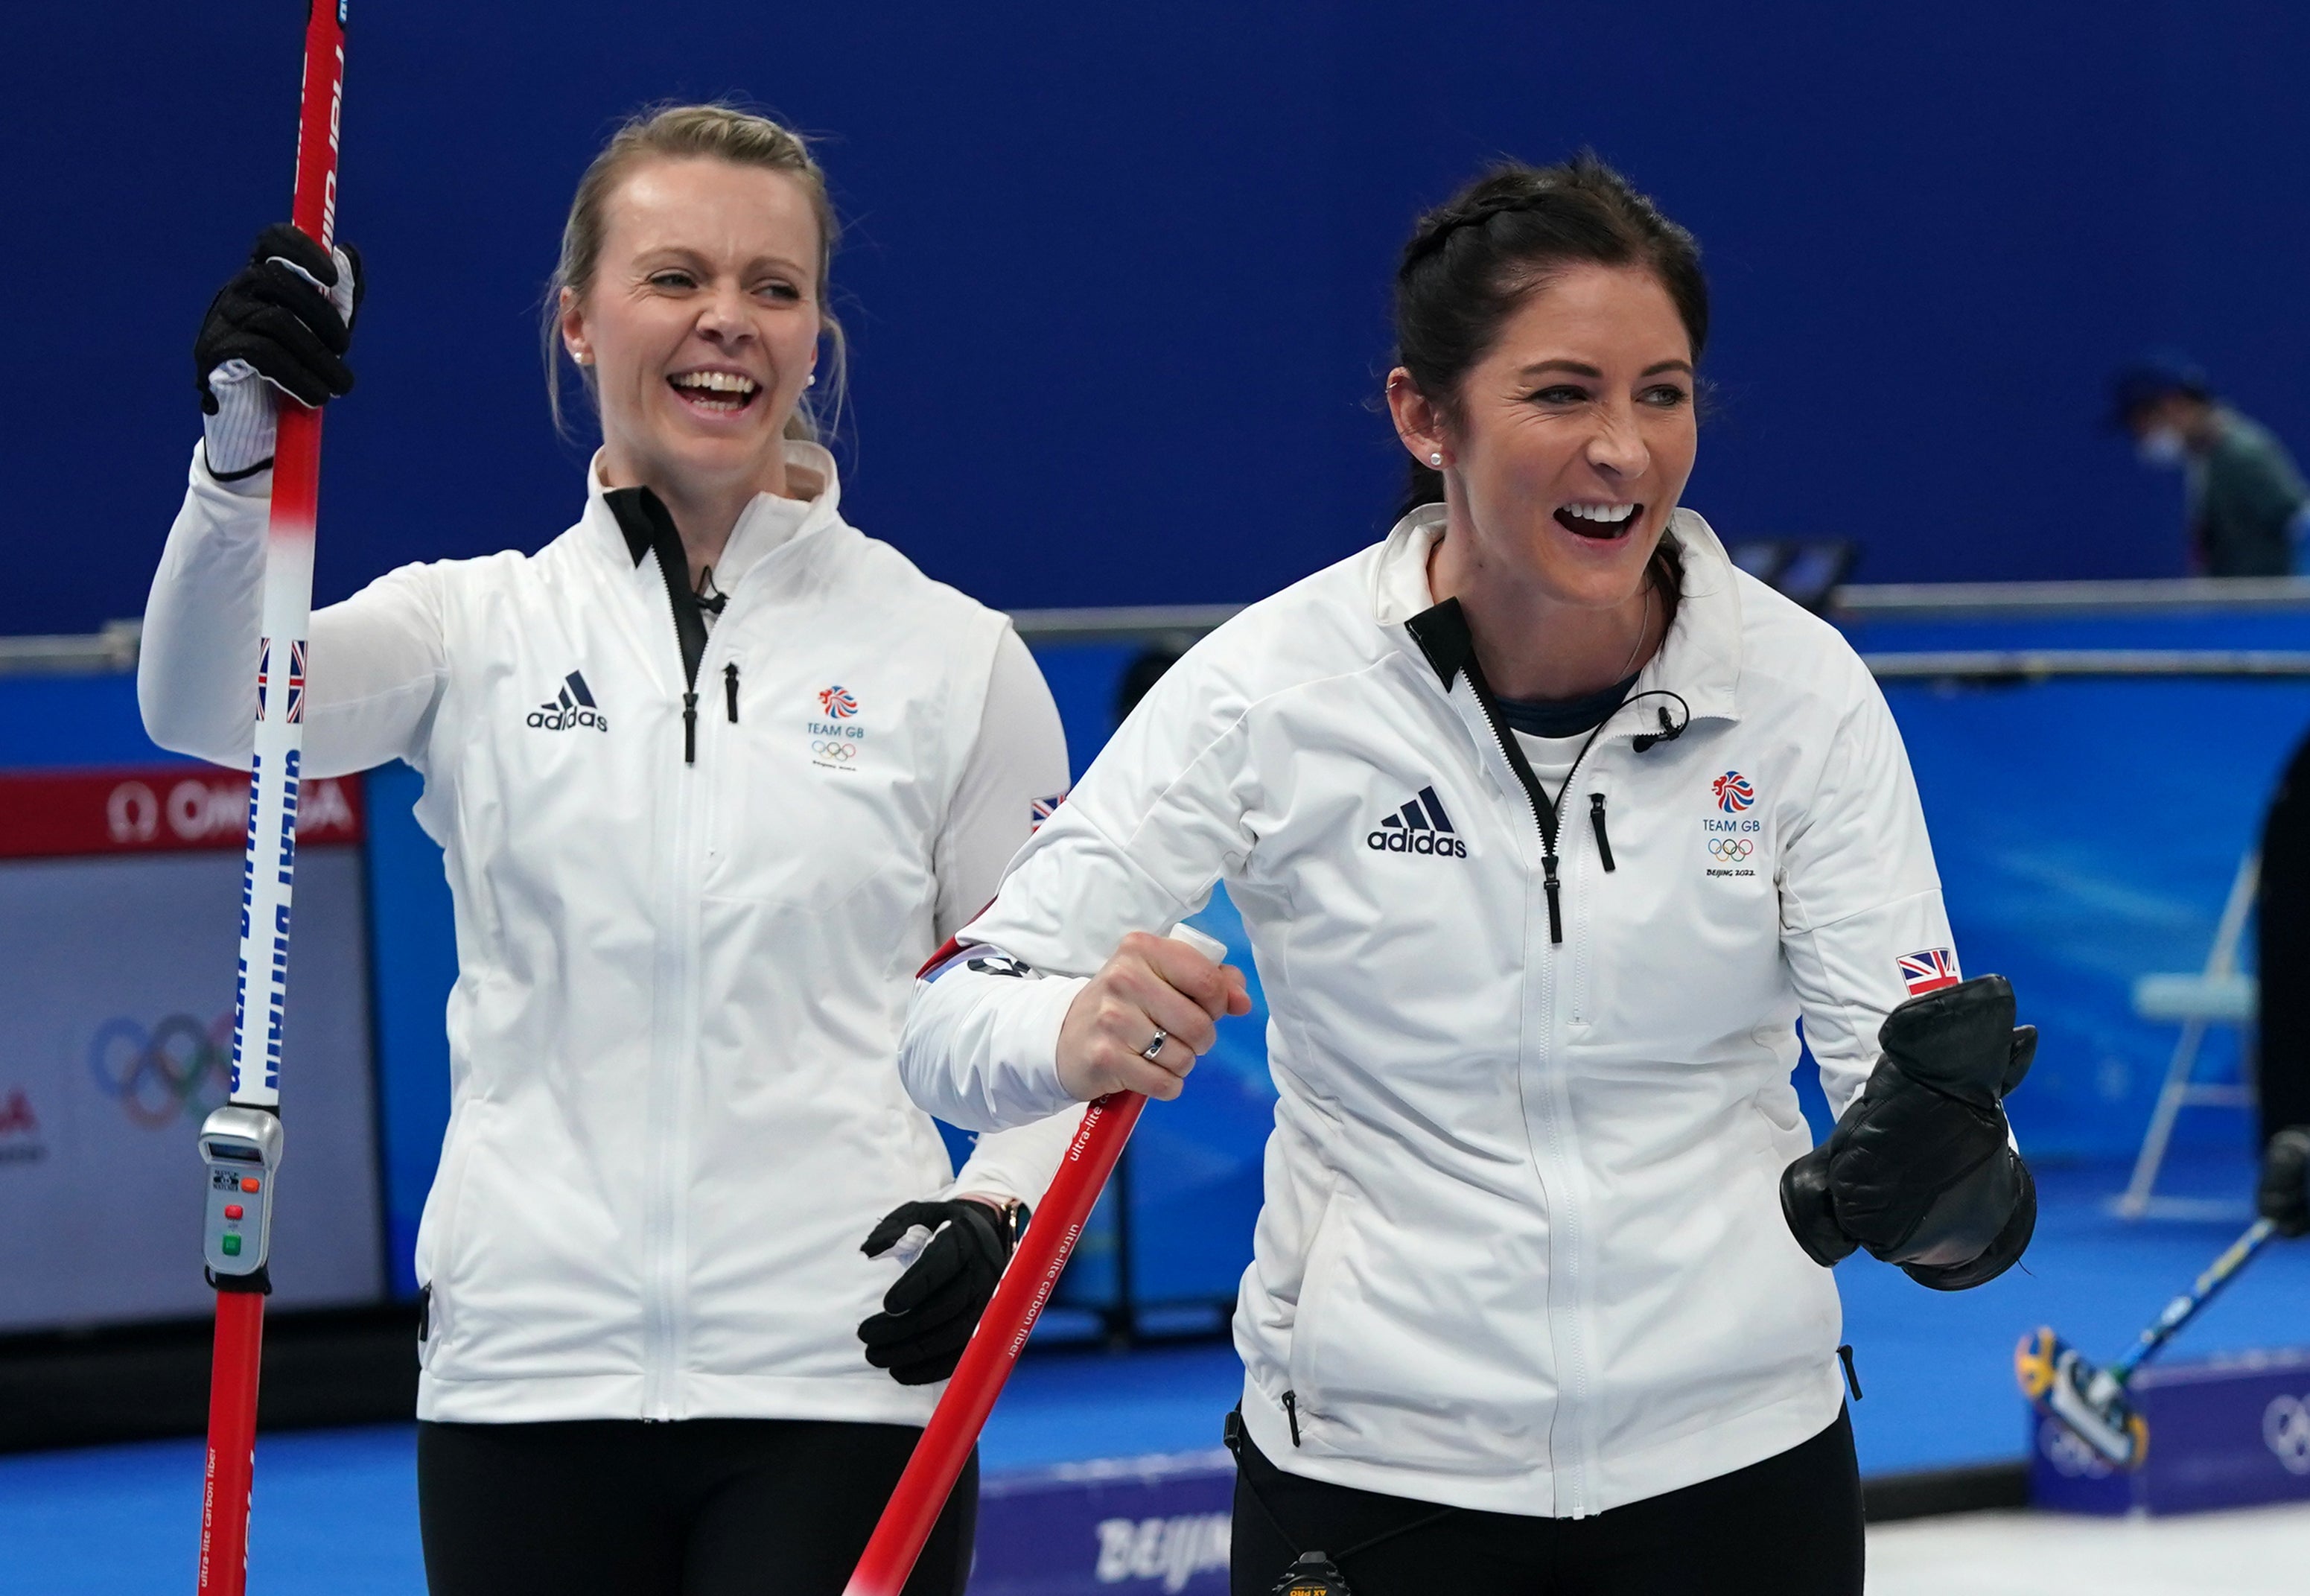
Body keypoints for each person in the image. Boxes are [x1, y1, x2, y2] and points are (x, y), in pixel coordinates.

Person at [897, 155, 2036, 1596]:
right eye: (1561, 394)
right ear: (1422, 416)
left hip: (1740, 1472)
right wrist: (1068, 1028)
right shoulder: (1272, 688)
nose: (1622, 448)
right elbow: (950, 1025)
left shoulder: (1796, 690)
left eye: (1662, 393)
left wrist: (1949, 1174)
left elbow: (1920, 1130)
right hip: (1375, 1482)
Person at [142, 104, 1081, 1596]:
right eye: (675, 278)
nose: (728, 322)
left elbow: (1059, 1001)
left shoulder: (951, 656)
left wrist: (999, 1209)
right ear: (577, 323)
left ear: (819, 333)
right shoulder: (475, 626)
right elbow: (209, 705)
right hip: (527, 1379)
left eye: (774, 288)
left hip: (836, 1388)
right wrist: (238, 454)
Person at [2111, 355, 2310, 576]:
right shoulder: (2207, 456)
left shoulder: (2240, 455)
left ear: (2174, 405)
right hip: (2234, 605)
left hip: (2263, 608)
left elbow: (2300, 523)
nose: (2141, 437)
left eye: (2141, 424)